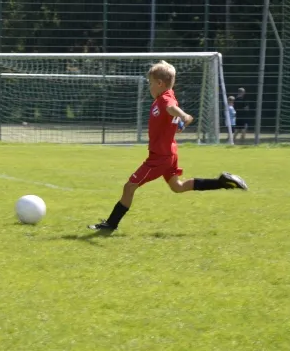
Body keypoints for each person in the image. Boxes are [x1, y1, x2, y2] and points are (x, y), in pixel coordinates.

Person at [89, 61, 248, 232]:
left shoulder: (165, 98)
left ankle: (110, 224)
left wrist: (183, 115)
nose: (149, 87)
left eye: (150, 83)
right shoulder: (166, 96)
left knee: (129, 186)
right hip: (169, 152)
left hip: (160, 157)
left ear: (159, 83)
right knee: (177, 187)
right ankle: (223, 182)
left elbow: (172, 108)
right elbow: (171, 115)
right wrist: (179, 123)